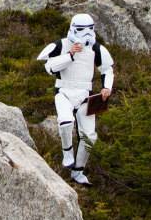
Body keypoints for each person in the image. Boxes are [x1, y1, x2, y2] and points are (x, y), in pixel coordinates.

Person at [36, 13, 114, 185]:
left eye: (89, 30)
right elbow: (48, 66)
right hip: (64, 91)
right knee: (65, 122)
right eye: (81, 30)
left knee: (90, 137)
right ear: (73, 28)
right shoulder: (62, 45)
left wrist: (107, 86)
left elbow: (107, 69)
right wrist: (70, 55)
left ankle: (78, 171)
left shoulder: (96, 49)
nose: (86, 34)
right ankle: (67, 152)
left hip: (86, 95)